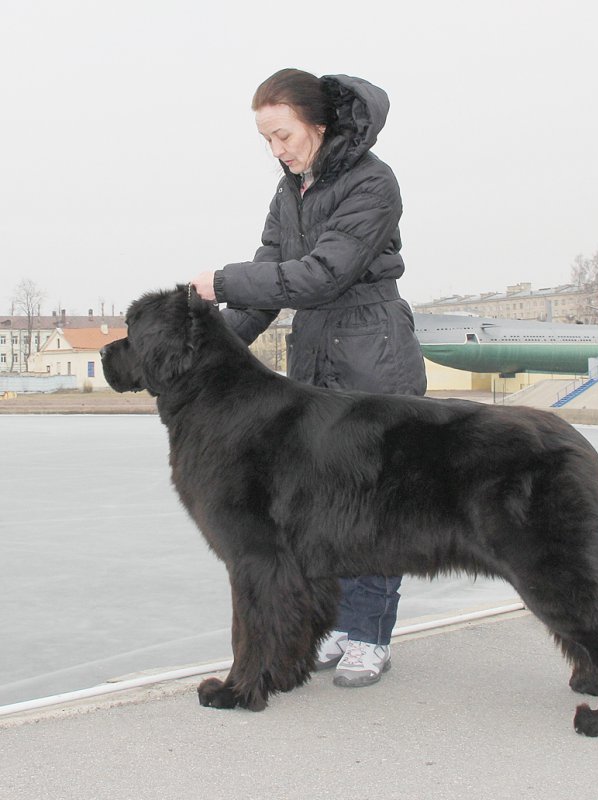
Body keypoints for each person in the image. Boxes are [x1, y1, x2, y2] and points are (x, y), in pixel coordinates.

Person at [190, 68, 427, 688]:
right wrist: (205, 344)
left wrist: (220, 280)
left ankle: (370, 635)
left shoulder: (374, 183)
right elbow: (267, 279)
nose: (278, 150)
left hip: (372, 351)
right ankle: (334, 626)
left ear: (318, 125)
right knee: (320, 504)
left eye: (283, 135)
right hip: (315, 353)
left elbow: (323, 274)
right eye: (267, 140)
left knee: (371, 502)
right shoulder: (288, 191)